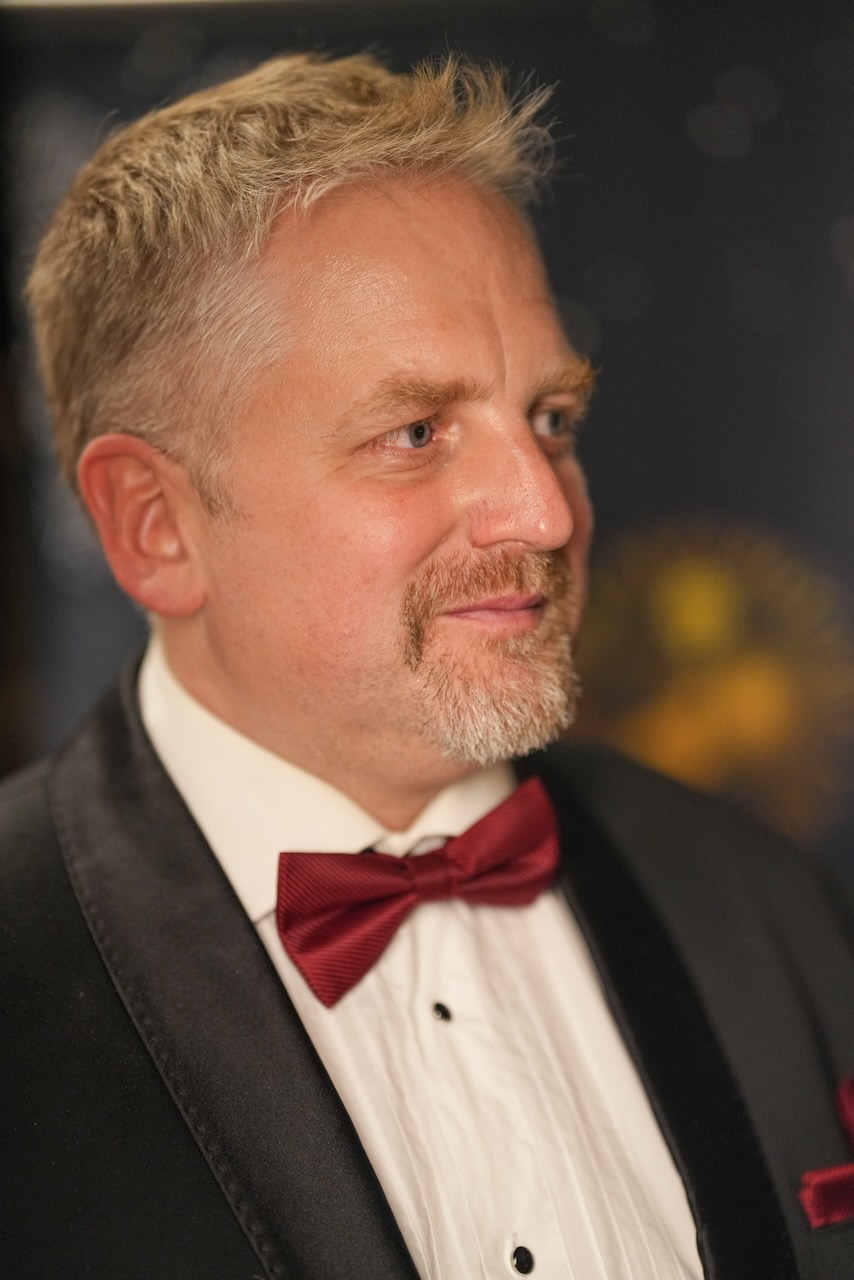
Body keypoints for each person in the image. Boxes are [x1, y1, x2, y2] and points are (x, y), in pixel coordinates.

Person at [2, 52, 853, 1280]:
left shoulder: (755, 894)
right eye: (414, 432)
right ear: (156, 525)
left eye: (550, 420)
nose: (545, 512)